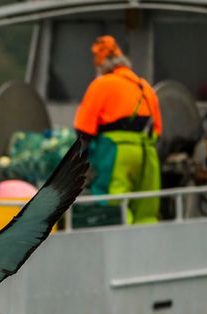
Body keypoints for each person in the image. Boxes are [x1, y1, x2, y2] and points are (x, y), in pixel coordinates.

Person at [74, 36, 162, 224]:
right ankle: (147, 248)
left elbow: (83, 130)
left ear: (101, 65)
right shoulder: (145, 86)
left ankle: (122, 249)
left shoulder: (102, 84)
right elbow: (158, 130)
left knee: (115, 206)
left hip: (116, 152)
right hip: (148, 153)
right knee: (146, 208)